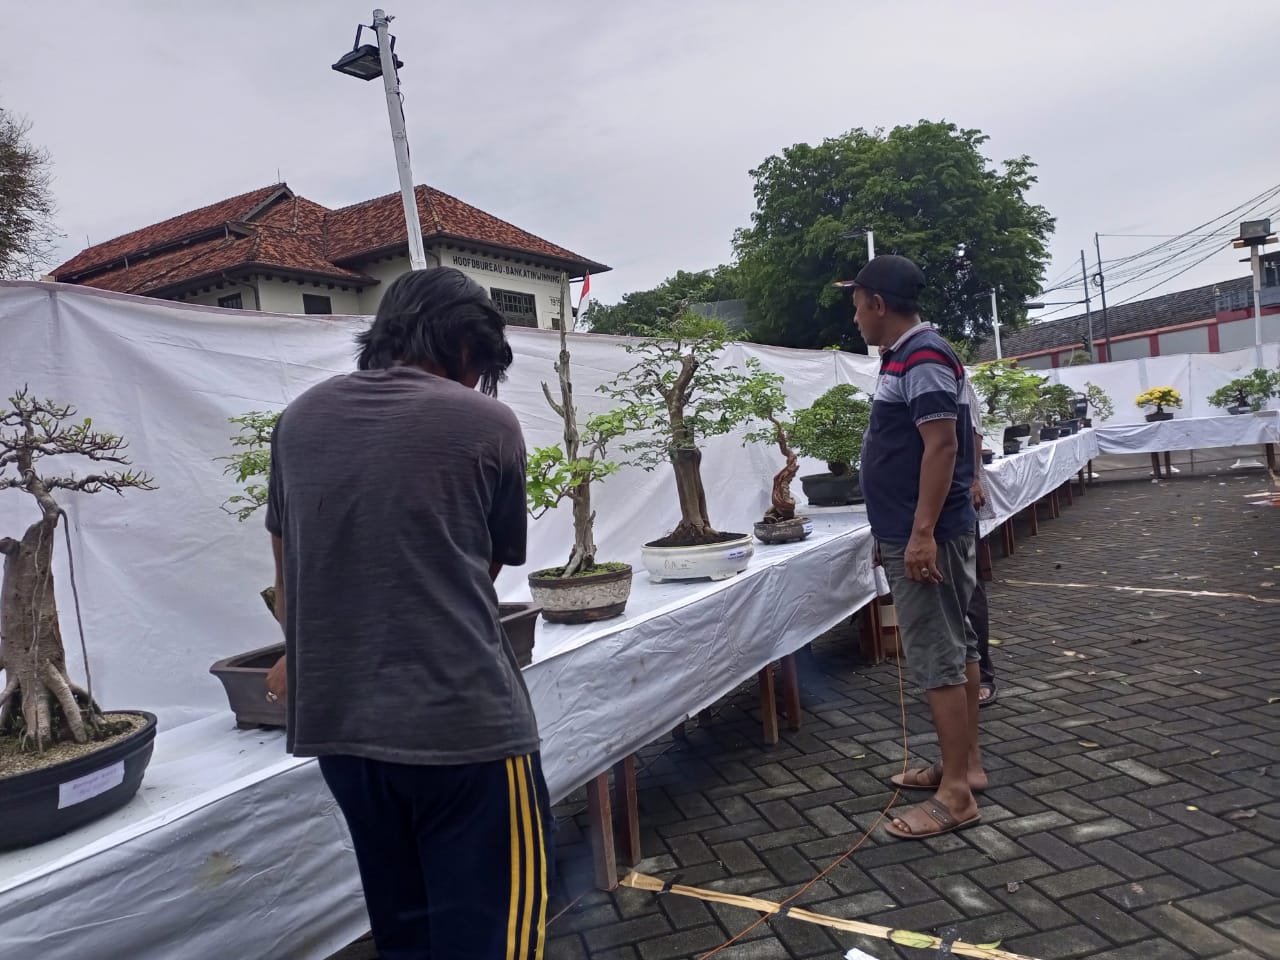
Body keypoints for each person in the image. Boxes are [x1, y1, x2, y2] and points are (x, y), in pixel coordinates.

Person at [263, 267, 549, 959]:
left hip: (341, 732)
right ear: (463, 348)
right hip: (461, 727)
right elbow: (485, 565)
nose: (477, 384)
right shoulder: (487, 422)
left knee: (406, 932)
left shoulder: (297, 418)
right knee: (494, 938)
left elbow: (287, 566)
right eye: (481, 368)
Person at [841, 255, 986, 840]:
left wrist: (920, 533)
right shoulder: (907, 356)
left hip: (929, 531)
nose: (854, 318)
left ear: (877, 304)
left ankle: (955, 798)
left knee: (937, 653)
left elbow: (943, 447)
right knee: (958, 644)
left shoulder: (922, 356)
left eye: (857, 306)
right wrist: (895, 532)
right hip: (914, 527)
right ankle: (965, 768)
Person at [963, 377, 997, 707]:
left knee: (969, 585)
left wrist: (974, 478)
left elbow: (973, 429)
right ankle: (956, 670)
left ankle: (983, 672)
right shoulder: (891, 371)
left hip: (957, 496)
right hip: (917, 501)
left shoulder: (944, 368)